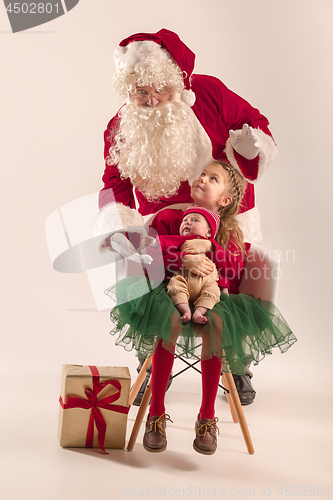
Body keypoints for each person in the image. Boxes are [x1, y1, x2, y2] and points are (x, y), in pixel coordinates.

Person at [97, 28, 279, 404]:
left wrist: (250, 143)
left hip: (224, 213)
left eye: (158, 90)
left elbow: (252, 122)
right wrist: (119, 222)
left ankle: (236, 362)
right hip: (162, 222)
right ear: (128, 89)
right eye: (140, 93)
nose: (150, 101)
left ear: (175, 82)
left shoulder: (209, 93)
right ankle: (148, 357)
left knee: (236, 278)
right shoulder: (120, 127)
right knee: (145, 277)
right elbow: (113, 180)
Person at [105, 161, 296, 455]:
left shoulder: (231, 231)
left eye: (213, 178)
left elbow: (234, 272)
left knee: (217, 326)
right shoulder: (169, 216)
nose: (203, 179)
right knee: (167, 322)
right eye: (202, 174)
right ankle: (156, 414)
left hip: (214, 298)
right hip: (169, 294)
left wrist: (211, 249)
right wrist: (186, 250)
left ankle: (207, 417)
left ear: (225, 199)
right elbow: (150, 253)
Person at [166, 206, 222, 325]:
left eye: (195, 220)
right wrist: (181, 259)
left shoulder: (213, 246)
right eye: (184, 220)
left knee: (214, 290)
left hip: (206, 281)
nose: (188, 222)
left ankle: (199, 311)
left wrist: (211, 246)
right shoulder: (177, 240)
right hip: (182, 277)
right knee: (175, 286)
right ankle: (185, 310)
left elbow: (225, 262)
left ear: (208, 232)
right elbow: (162, 251)